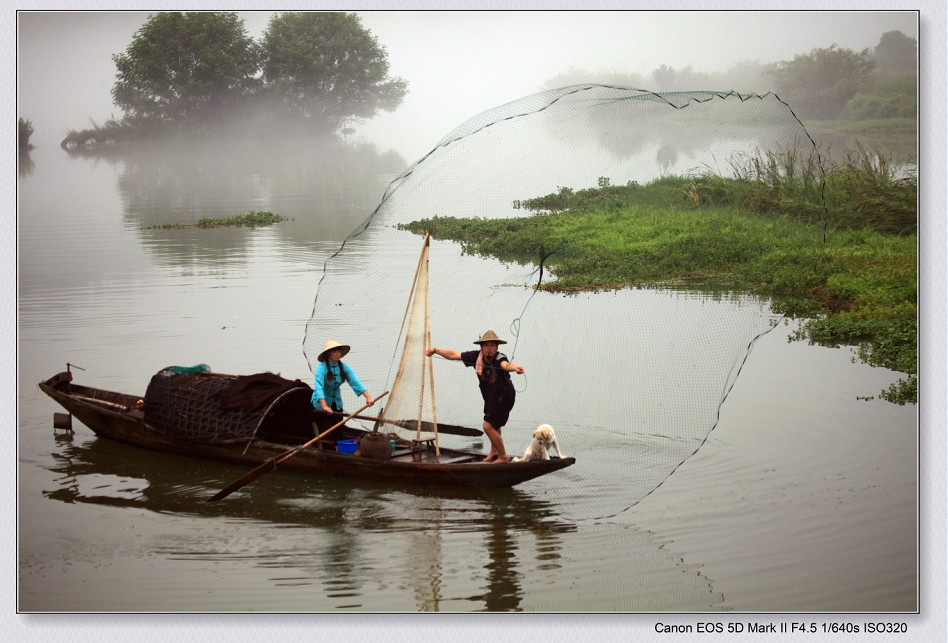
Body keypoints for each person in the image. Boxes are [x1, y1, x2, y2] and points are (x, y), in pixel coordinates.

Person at [426, 330, 524, 463]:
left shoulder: (500, 358)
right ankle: (494, 451)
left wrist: (516, 368)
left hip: (504, 396)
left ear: (497, 347)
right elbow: (454, 354)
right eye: (486, 345)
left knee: (488, 426)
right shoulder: (475, 357)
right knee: (495, 425)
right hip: (490, 396)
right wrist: (435, 350)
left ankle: (502, 457)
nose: (489, 348)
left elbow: (506, 365)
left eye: (492, 345)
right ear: (481, 347)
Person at [312, 339, 375, 442]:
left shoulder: (343, 367)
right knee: (320, 431)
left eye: (339, 352)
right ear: (328, 353)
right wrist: (324, 406)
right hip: (320, 403)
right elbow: (319, 387)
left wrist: (368, 397)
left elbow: (355, 381)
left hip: (336, 402)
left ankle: (338, 448)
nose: (337, 354)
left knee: (338, 429)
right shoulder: (321, 368)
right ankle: (318, 448)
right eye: (335, 352)